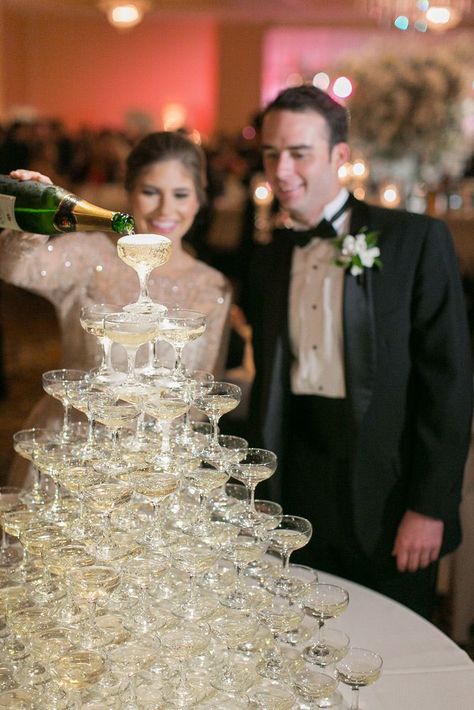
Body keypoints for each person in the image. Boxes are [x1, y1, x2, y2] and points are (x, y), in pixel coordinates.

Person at [245, 85, 473, 618]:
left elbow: (450, 383)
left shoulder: (414, 239)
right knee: (297, 639)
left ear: (339, 157)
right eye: (271, 153)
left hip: (390, 489)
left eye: (299, 153)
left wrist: (429, 506)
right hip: (296, 483)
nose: (281, 170)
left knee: (393, 645)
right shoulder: (270, 254)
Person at [0, 131, 232, 483]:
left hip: (158, 470)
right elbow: (17, 268)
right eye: (150, 192)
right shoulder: (91, 254)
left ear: (199, 200)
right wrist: (31, 220)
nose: (165, 209)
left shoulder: (215, 286)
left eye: (180, 195)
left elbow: (201, 397)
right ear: (130, 193)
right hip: (75, 461)